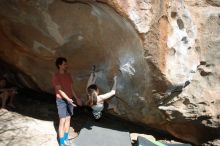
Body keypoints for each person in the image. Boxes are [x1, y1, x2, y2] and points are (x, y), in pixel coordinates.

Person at [52, 57, 81, 146]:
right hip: (61, 101)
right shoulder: (56, 76)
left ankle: (65, 138)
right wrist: (68, 99)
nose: (66, 66)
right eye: (64, 64)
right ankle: (61, 143)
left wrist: (77, 98)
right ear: (59, 65)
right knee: (62, 120)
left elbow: (71, 88)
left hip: (70, 100)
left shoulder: (68, 75)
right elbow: (60, 91)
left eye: (66, 64)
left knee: (68, 119)